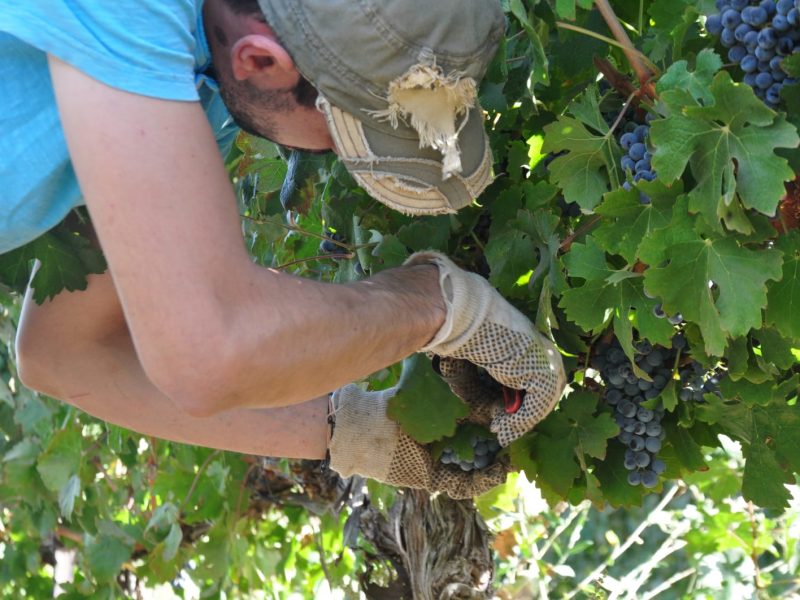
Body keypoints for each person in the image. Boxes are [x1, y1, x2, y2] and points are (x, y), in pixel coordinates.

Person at [1, 0, 565, 498]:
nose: (333, 155)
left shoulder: (203, 78)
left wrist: (355, 430)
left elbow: (66, 352)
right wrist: (437, 306)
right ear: (262, 61)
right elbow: (210, 351)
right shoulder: (133, 12)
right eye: (345, 136)